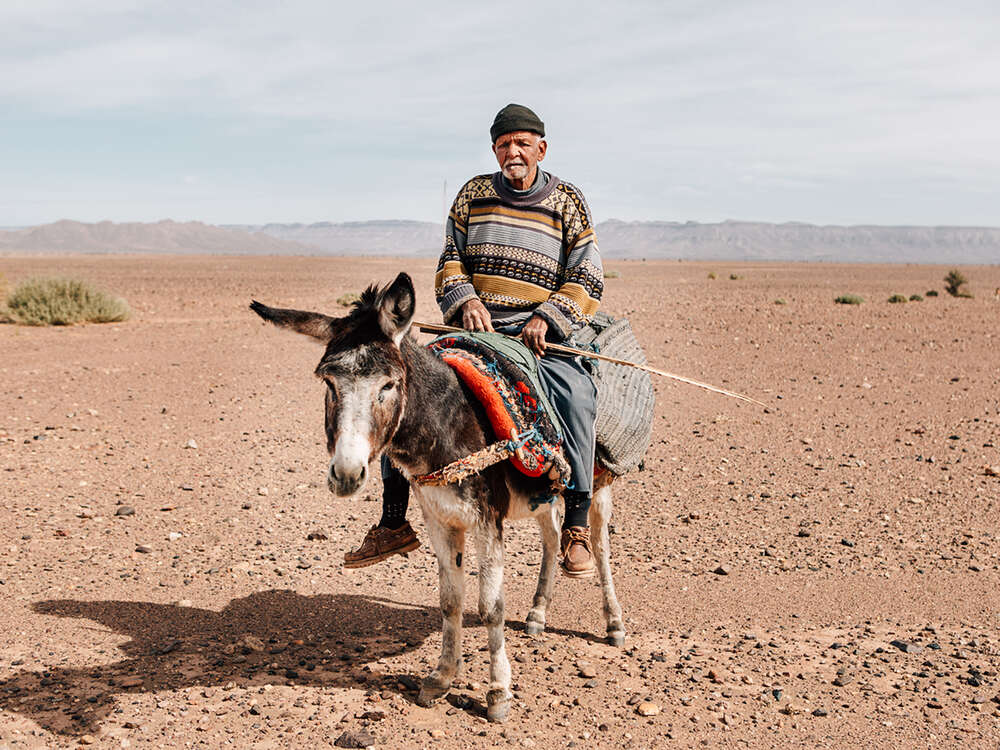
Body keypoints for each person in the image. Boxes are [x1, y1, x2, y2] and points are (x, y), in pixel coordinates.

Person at [344, 103, 603, 577]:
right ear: (494, 150)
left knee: (577, 394)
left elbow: (588, 273)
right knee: (406, 381)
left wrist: (547, 315)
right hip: (474, 329)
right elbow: (450, 261)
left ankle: (577, 523)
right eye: (505, 144)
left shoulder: (568, 201)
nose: (514, 152)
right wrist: (465, 301)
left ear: (541, 148)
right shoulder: (473, 195)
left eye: (523, 143)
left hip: (536, 334)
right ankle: (393, 520)